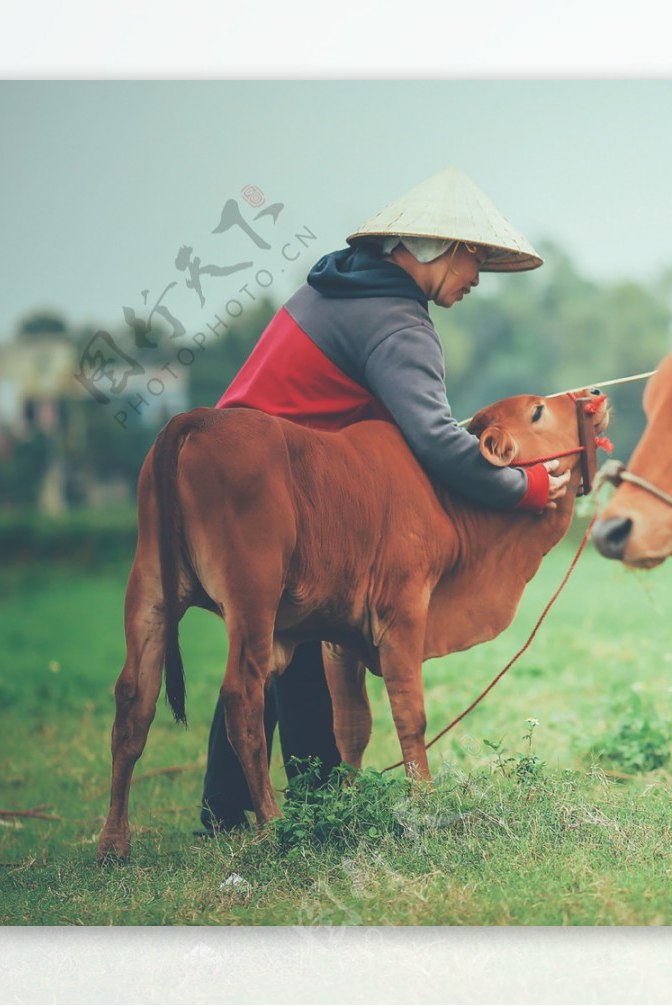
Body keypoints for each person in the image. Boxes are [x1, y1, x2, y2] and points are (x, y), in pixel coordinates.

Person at [196, 167, 570, 834]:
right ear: (435, 250)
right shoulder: (399, 323)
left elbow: (405, 431)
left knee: (263, 645)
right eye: (474, 259)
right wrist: (524, 488)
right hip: (273, 488)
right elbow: (432, 439)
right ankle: (320, 812)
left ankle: (226, 811)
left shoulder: (333, 286)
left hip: (220, 476)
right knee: (297, 636)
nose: (477, 278)